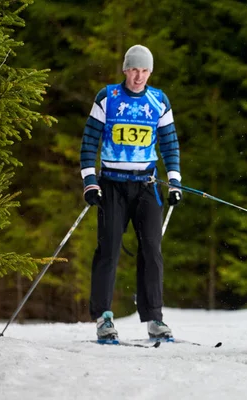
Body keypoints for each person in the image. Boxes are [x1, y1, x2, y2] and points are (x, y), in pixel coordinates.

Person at [79, 44, 182, 341]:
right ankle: (103, 317)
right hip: (111, 184)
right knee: (108, 249)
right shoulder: (108, 98)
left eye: (144, 70)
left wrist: (174, 181)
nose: (139, 77)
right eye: (134, 70)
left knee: (152, 250)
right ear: (125, 70)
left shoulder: (158, 100)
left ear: (150, 72)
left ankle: (154, 318)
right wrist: (90, 181)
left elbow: (169, 144)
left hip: (146, 185)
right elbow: (89, 142)